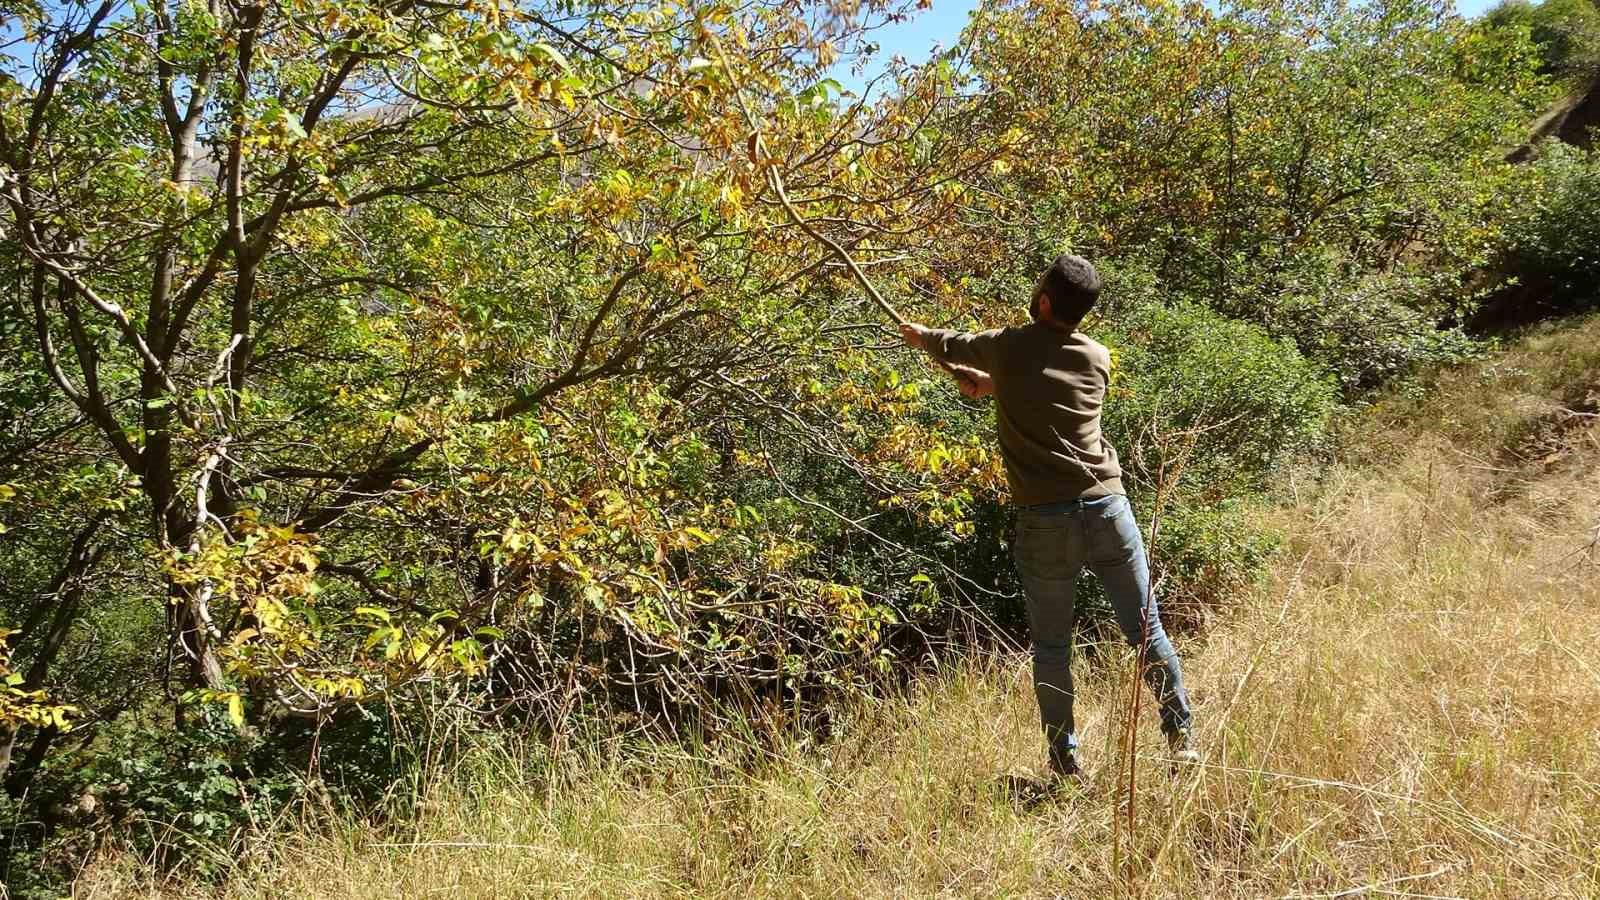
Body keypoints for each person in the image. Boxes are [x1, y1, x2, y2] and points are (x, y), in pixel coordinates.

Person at [898, 254, 1198, 783]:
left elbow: (952, 343)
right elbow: (1053, 389)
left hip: (1045, 519)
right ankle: (1181, 741)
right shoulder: (1097, 356)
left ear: (1042, 301)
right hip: (1108, 506)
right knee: (1144, 628)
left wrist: (919, 334)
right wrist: (996, 386)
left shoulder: (1008, 346)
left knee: (1054, 647)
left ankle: (1064, 762)